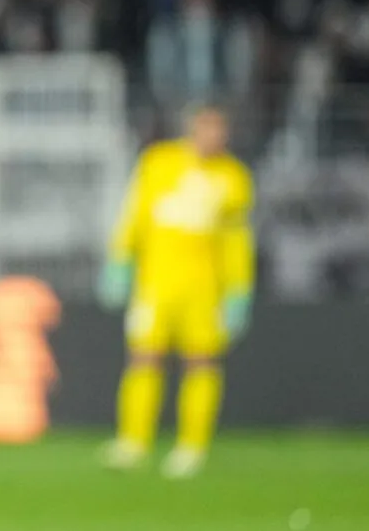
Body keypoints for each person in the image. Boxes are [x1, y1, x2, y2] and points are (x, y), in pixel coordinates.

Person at [98, 103, 255, 479]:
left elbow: (236, 241)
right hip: (155, 284)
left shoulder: (233, 178)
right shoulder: (159, 163)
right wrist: (120, 261)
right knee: (143, 358)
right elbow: (135, 215)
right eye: (207, 128)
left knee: (201, 362)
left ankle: (192, 446)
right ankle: (133, 442)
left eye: (219, 130)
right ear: (191, 129)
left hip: (204, 289)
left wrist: (238, 290)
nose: (213, 137)